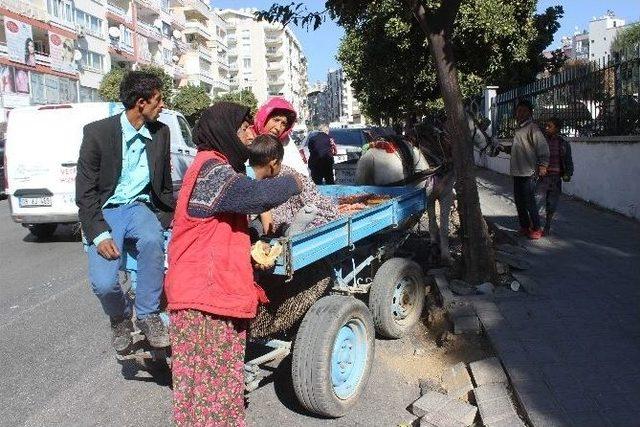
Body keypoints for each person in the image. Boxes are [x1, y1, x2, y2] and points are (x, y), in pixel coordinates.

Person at [164, 102, 302, 426]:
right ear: (223, 130)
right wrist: (295, 182)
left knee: (210, 390)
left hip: (207, 296)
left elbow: (225, 224)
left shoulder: (218, 168)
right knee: (208, 393)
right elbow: (256, 197)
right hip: (204, 301)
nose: (250, 134)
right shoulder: (212, 169)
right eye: (243, 129)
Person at [76, 71, 174, 353]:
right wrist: (98, 234)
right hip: (105, 212)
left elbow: (164, 182)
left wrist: (165, 218)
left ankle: (147, 315)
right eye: (158, 100)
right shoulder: (97, 134)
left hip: (139, 207)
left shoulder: (160, 132)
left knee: (154, 241)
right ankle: (119, 317)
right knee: (104, 284)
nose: (162, 105)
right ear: (141, 103)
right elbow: (85, 192)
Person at [246, 134, 338, 237]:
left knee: (261, 226)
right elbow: (264, 213)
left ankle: (290, 231)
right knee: (258, 226)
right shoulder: (259, 179)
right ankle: (289, 232)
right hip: (275, 220)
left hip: (291, 217)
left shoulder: (292, 178)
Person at [498, 99, 549, 240]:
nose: (520, 113)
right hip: (517, 172)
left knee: (529, 202)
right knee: (519, 202)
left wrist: (543, 165)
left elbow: (543, 148)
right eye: (519, 110)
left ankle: (537, 228)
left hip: (529, 172)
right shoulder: (519, 129)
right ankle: (525, 227)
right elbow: (518, 149)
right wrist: (504, 148)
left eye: (524, 111)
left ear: (530, 113)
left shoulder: (533, 128)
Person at [251, 96, 308, 176]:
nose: (278, 128)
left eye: (283, 124)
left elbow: (301, 175)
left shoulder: (285, 143)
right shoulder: (248, 137)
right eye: (276, 120)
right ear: (264, 117)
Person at [536, 117, 574, 236]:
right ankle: (535, 225)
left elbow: (568, 161)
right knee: (536, 201)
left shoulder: (563, 144)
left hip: (556, 178)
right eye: (546, 125)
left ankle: (547, 226)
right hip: (543, 177)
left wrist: (568, 173)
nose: (546, 128)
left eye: (549, 126)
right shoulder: (542, 142)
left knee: (551, 203)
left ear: (557, 129)